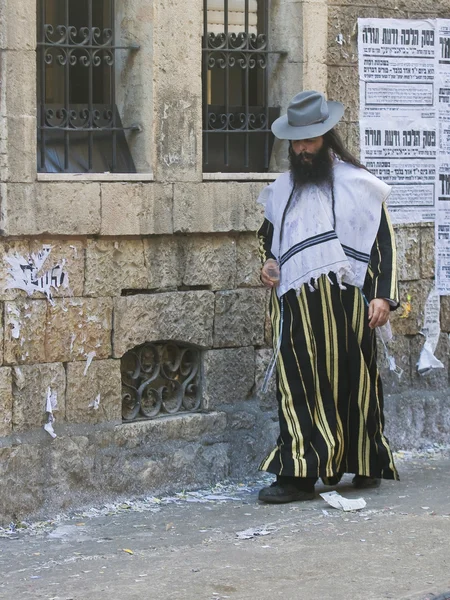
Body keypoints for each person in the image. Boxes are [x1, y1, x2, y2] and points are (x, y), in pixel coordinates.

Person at [257, 90, 399, 504]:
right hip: (297, 308)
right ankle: (300, 475)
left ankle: (364, 460)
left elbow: (383, 243)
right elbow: (268, 241)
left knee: (357, 385)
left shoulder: (360, 185)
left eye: (309, 141)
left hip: (349, 307)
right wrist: (267, 263)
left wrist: (383, 298)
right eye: (296, 142)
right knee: (298, 385)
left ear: (326, 138)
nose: (302, 149)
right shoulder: (281, 191)